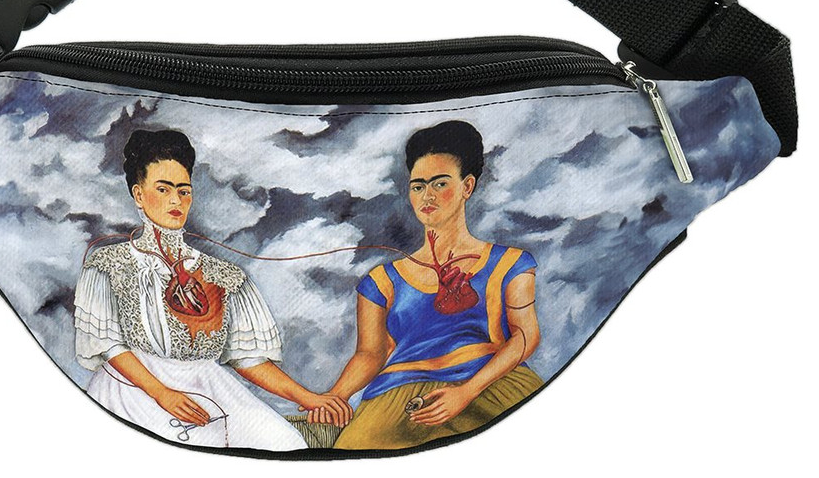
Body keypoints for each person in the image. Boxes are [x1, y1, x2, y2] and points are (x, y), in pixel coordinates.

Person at [73, 129, 350, 449]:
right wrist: (161, 393)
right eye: (163, 189)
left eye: (184, 191)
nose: (176, 201)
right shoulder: (108, 263)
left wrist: (308, 398)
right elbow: (109, 345)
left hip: (209, 385)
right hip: (131, 389)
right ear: (138, 194)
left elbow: (246, 358)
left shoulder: (224, 275)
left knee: (284, 444)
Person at [328, 120, 544, 450]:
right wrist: (333, 397)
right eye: (417, 187)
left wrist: (466, 392)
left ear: (467, 186)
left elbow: (526, 336)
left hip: (491, 385)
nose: (427, 196)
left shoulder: (511, 263)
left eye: (439, 183)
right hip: (396, 401)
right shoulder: (381, 281)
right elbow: (370, 355)